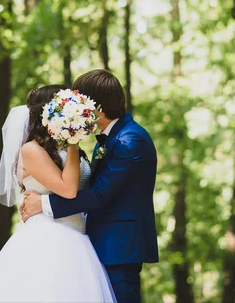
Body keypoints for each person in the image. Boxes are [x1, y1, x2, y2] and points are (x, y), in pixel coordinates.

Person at [21, 70, 159, 303]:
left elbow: (98, 195)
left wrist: (42, 203)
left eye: (80, 103)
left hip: (120, 247)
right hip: (98, 242)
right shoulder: (110, 138)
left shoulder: (129, 141)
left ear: (99, 108)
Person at [0, 85, 116, 303]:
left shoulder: (64, 148)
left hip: (78, 240)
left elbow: (88, 190)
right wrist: (73, 140)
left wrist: (71, 144)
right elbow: (68, 190)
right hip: (49, 239)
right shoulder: (30, 150)